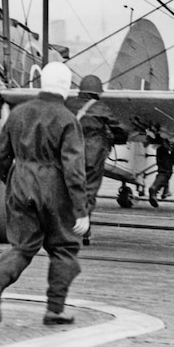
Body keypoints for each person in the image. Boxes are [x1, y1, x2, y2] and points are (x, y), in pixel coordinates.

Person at [0, 61, 90, 325]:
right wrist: (81, 210)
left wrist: (13, 178)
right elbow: (74, 170)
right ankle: (54, 309)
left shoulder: (18, 113)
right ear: (66, 87)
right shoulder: (67, 120)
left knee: (22, 247)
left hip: (20, 183)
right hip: (54, 189)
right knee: (64, 248)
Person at [71, 74, 118, 244]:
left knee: (68, 189)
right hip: (93, 155)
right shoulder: (101, 108)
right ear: (97, 92)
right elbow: (119, 129)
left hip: (69, 153)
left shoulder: (68, 104)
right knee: (88, 191)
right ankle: (85, 229)